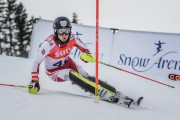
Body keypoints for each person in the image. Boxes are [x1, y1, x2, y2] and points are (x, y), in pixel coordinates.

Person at [28, 16, 143, 108]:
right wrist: (35, 80)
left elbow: (85, 49)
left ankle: (115, 92)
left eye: (66, 31)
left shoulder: (72, 38)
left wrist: (87, 55)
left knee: (85, 76)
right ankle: (100, 93)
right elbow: (36, 62)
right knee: (71, 74)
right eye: (61, 31)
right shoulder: (48, 44)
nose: (64, 35)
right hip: (54, 72)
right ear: (55, 32)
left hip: (67, 62)